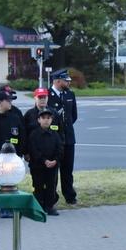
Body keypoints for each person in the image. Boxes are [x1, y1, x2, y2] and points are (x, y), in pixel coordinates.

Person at [0, 91, 26, 218]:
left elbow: (22, 137)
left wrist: (20, 154)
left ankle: (12, 207)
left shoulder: (15, 118)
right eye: (8, 100)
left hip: (13, 159)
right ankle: (1, 208)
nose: (10, 102)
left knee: (12, 183)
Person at [47, 69, 78, 205]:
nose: (68, 83)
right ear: (57, 81)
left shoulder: (70, 94)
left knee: (67, 169)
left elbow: (73, 116)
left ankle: (69, 195)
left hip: (68, 138)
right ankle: (51, 197)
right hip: (53, 138)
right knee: (53, 170)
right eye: (66, 81)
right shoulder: (47, 95)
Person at [28, 107, 63, 216]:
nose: (46, 120)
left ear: (51, 120)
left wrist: (55, 160)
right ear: (39, 120)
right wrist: (44, 160)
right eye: (43, 118)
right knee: (38, 186)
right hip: (38, 166)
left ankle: (50, 206)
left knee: (51, 186)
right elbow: (34, 150)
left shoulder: (55, 135)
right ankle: (39, 206)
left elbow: (60, 149)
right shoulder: (34, 135)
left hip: (52, 166)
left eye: (48, 118)